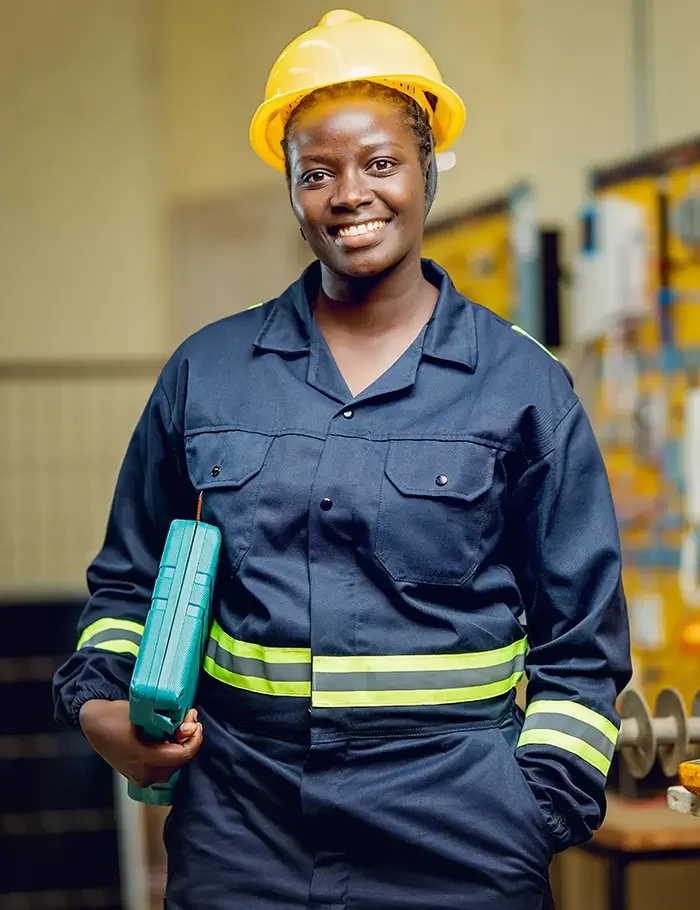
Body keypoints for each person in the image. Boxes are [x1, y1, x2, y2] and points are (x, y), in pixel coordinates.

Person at [53, 10, 631, 910]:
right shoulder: (207, 372)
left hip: (460, 834)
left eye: (381, 163)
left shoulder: (523, 388)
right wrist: (102, 709)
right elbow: (126, 588)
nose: (348, 194)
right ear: (290, 187)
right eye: (316, 172)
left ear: (428, 167)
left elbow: (582, 643)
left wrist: (534, 808)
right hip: (243, 830)